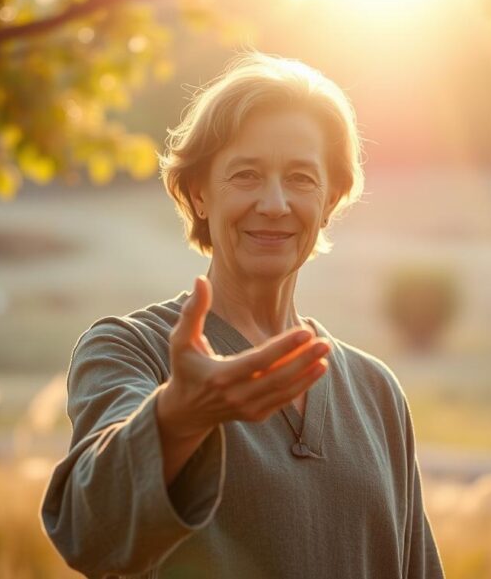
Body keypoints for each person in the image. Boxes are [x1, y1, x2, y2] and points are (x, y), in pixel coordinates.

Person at [41, 51, 445, 579]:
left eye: (301, 178)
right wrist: (179, 416)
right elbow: (89, 533)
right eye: (246, 175)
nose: (275, 203)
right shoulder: (128, 350)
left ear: (330, 200)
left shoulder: (376, 392)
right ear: (199, 193)